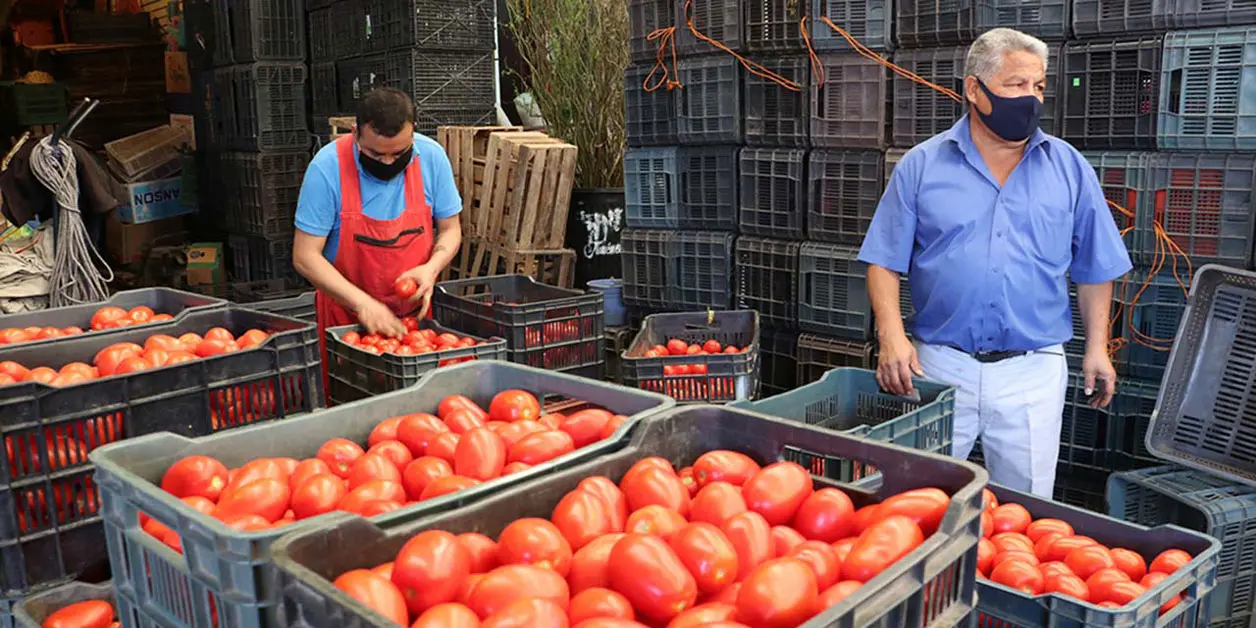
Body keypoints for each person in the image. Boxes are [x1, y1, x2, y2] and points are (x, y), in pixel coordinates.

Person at [857, 28, 1132, 497]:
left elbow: (1095, 267)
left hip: (1032, 369)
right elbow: (883, 260)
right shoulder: (922, 166)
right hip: (939, 367)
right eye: (1015, 84)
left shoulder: (1069, 168)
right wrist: (891, 337)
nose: (1030, 98)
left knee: (1026, 510)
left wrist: (1098, 346)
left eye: (1039, 86)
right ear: (973, 89)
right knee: (919, 500)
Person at [293, 88, 462, 341]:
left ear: (413, 132)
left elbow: (450, 228)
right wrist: (363, 304)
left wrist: (431, 268)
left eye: (398, 153)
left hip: (413, 324)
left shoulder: (432, 158)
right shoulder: (327, 168)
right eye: (376, 153)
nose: (388, 163)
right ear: (355, 133)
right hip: (345, 324)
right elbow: (305, 256)